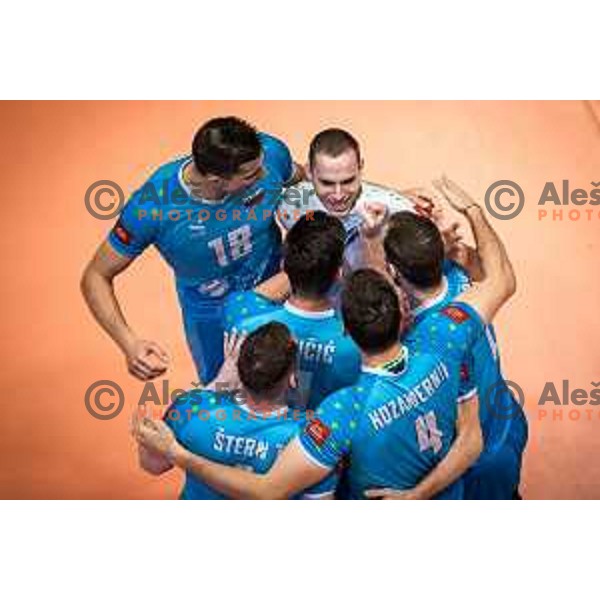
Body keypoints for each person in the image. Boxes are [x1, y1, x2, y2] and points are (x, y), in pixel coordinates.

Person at [81, 116, 303, 384]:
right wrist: (129, 343)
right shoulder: (153, 206)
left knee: (299, 384)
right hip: (213, 317)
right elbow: (95, 276)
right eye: (251, 175)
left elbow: (305, 179)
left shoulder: (270, 154)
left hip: (279, 291)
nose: (264, 175)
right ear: (215, 179)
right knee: (227, 394)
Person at [373, 178, 527, 499]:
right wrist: (474, 212)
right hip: (506, 422)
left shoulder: (417, 341)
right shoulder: (463, 277)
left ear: (394, 271)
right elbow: (501, 273)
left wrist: (413, 497)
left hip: (476, 465)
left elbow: (469, 443)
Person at [134, 322, 337, 499]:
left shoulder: (190, 408)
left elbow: (153, 465)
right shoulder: (309, 437)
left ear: (239, 369)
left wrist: (218, 384)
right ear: (293, 378)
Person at [222, 212, 361, 411]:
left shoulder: (240, 315)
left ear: (283, 265)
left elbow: (255, 296)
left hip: (266, 432)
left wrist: (301, 264)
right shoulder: (356, 341)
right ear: (339, 273)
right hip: (320, 437)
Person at [277, 128, 416, 271]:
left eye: (348, 181)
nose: (338, 196)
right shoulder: (291, 205)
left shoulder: (397, 212)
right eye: (327, 183)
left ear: (360, 168)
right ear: (309, 172)